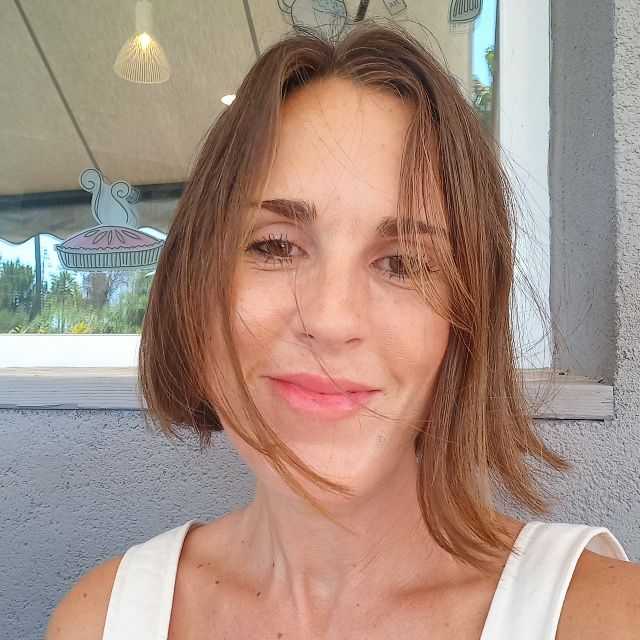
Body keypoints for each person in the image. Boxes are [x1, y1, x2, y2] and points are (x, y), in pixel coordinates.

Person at [47, 20, 639, 640]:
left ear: (463, 325)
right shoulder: (99, 621)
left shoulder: (610, 621)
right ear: (195, 283)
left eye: (402, 263)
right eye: (275, 246)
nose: (331, 320)